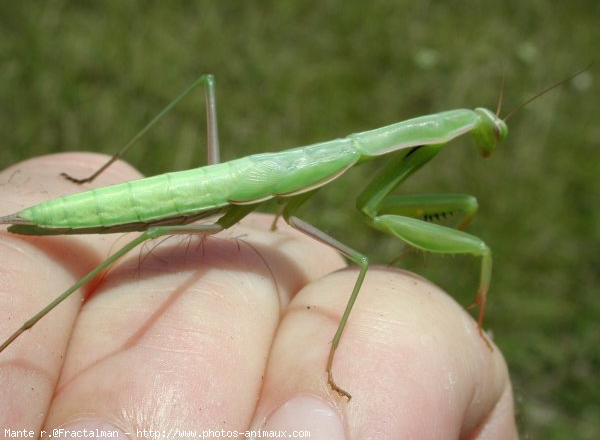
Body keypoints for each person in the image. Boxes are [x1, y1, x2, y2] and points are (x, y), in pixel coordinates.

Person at [0, 153, 518, 439]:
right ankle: (20, 331)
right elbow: (375, 213)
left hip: (203, 193)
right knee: (360, 262)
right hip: (157, 203)